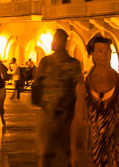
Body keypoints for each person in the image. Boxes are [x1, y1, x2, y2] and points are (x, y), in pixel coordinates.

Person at [71, 36, 119, 167]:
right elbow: (77, 119)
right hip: (94, 148)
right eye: (100, 51)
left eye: (107, 51)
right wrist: (74, 149)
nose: (105, 54)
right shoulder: (84, 85)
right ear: (92, 54)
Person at [33, 29, 83, 167]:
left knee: (66, 152)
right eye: (53, 39)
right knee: (45, 153)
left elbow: (78, 89)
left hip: (66, 116)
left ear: (63, 42)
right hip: (47, 114)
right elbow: (37, 84)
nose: (53, 42)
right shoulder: (45, 61)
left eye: (56, 39)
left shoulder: (73, 64)